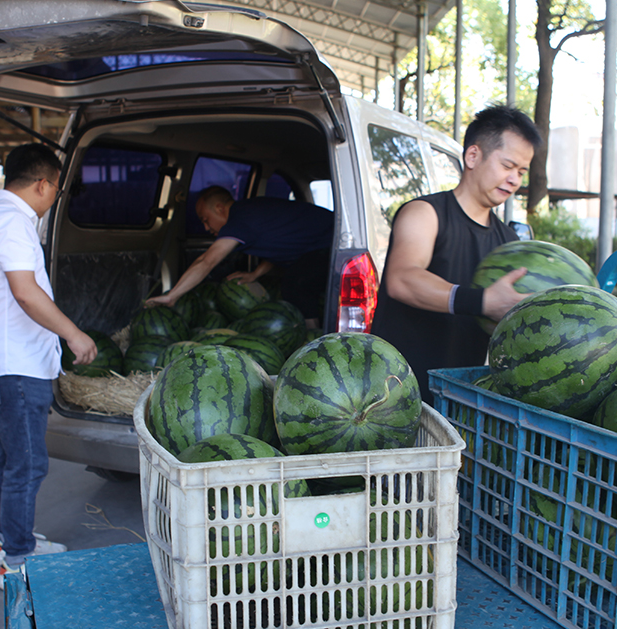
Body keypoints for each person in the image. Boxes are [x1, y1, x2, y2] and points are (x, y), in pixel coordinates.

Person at [0, 143, 98, 589]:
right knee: (26, 465)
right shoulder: (11, 221)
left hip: (6, 365)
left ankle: (10, 540)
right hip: (15, 368)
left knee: (10, 461)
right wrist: (73, 334)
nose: (55, 198)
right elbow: (25, 291)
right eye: (57, 189)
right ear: (43, 184)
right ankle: (17, 560)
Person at [370, 104, 542, 404]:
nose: (515, 179)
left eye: (521, 172)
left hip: (458, 400)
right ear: (473, 156)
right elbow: (401, 279)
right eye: (507, 166)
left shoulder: (510, 241)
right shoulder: (424, 213)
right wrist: (482, 301)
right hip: (394, 394)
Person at [146, 186, 334, 325]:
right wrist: (256, 274)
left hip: (334, 239)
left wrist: (172, 296)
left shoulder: (240, 220)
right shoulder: (248, 212)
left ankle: (312, 340)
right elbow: (278, 246)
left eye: (206, 220)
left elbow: (206, 261)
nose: (206, 227)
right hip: (323, 240)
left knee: (295, 284)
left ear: (219, 208)